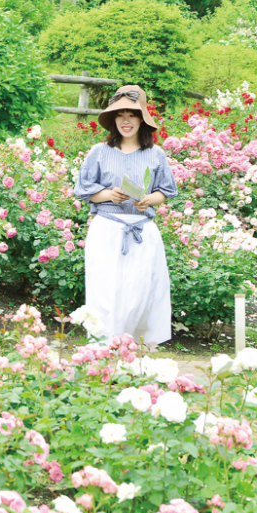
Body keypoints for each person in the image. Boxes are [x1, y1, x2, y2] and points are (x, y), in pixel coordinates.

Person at [73, 85, 179, 346]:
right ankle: (103, 351)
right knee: (106, 293)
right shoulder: (99, 152)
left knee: (139, 295)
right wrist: (110, 194)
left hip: (142, 232)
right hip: (107, 229)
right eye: (119, 115)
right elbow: (83, 190)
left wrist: (147, 200)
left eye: (131, 114)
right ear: (113, 120)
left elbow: (166, 191)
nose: (125, 121)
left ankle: (134, 350)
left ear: (142, 118)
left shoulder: (155, 154)